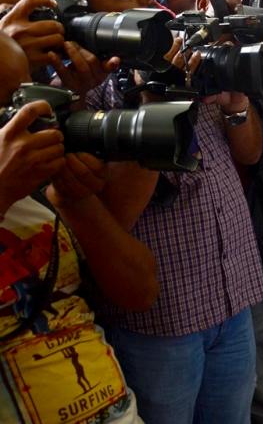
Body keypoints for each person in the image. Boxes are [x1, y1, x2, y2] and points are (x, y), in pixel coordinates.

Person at [45, 0, 263, 423]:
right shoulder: (81, 96)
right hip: (161, 319)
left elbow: (249, 153)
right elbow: (112, 216)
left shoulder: (185, 53)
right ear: (83, 14)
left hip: (234, 295)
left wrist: (236, 99)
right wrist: (162, 100)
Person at [0, 34, 158, 423]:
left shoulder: (34, 187)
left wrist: (77, 198)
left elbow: (141, 290)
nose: (19, 118)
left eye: (19, 98)